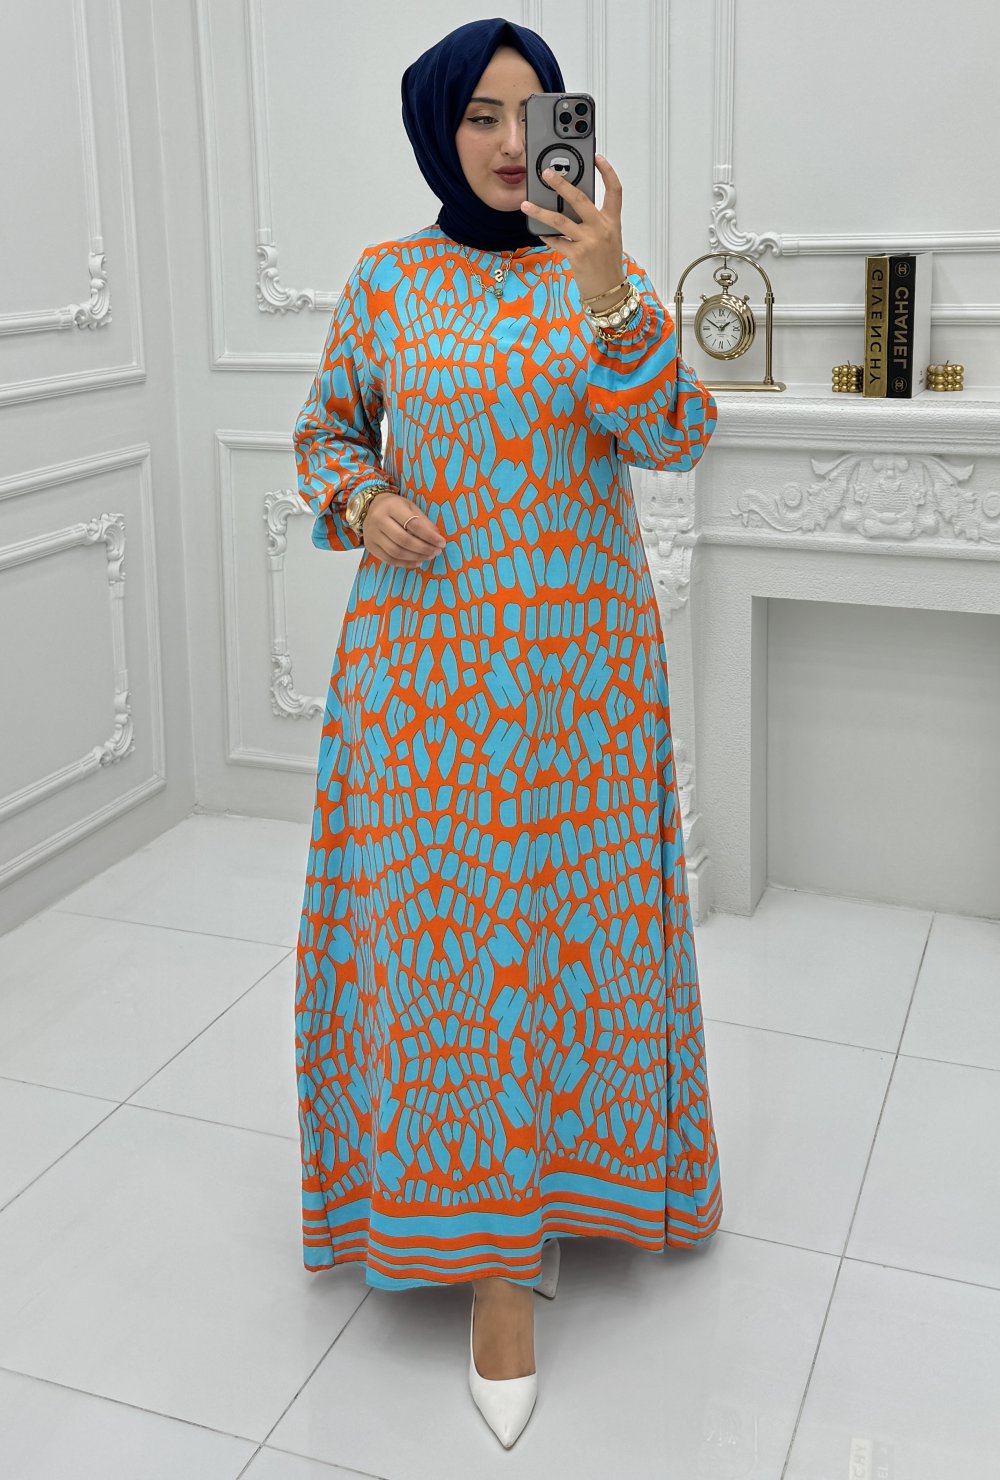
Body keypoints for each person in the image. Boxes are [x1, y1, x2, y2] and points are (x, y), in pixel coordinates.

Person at [292, 15, 723, 1451]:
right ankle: (489, 1263)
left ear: (564, 134)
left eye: (530, 115)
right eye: (478, 114)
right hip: (422, 684)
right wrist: (361, 503)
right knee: (446, 952)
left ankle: (582, 1186)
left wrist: (610, 294)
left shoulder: (603, 277)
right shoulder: (386, 281)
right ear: (437, 125)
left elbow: (676, 437)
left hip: (584, 688)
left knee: (576, 944)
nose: (503, 141)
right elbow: (326, 437)